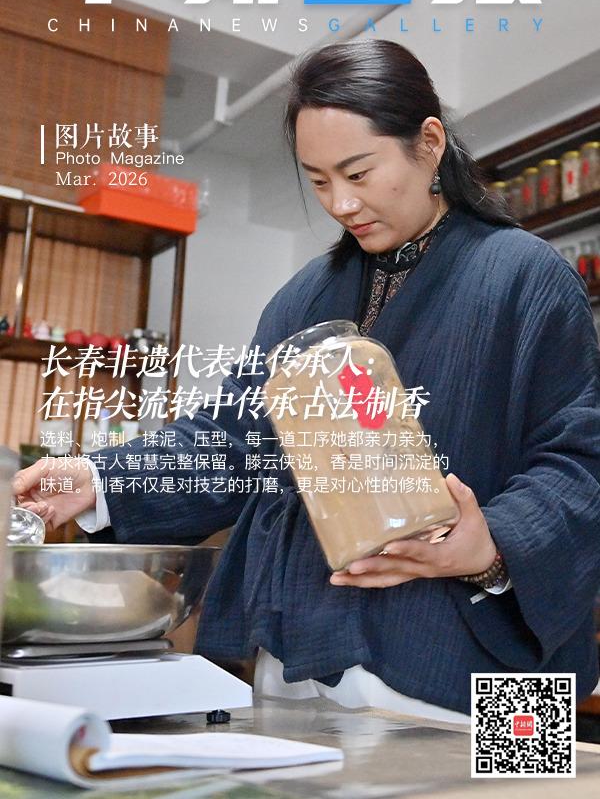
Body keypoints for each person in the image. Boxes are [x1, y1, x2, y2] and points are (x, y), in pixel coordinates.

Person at [14, 40, 600, 722]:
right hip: (307, 657)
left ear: (429, 143)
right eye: (318, 181)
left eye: (359, 172)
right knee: (297, 772)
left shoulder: (528, 276)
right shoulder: (303, 298)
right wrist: (99, 479)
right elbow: (235, 443)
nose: (341, 203)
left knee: (520, 779)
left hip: (490, 671)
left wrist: (490, 545)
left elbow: (580, 462)